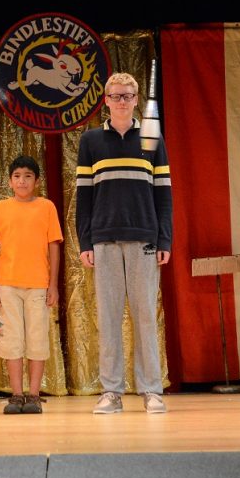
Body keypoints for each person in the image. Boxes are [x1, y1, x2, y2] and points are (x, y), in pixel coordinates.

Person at [75, 72, 173, 414]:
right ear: (106, 100)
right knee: (110, 316)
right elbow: (83, 197)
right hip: (103, 240)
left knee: (145, 315)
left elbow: (164, 194)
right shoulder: (90, 141)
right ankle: (111, 392)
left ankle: (151, 390)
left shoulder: (153, 139)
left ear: (136, 101)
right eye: (115, 96)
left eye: (128, 96)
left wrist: (164, 238)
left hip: (144, 237)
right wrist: (85, 240)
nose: (121, 101)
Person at [0, 155, 63, 414]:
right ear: (9, 181)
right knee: (12, 339)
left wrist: (53, 285)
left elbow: (54, 247)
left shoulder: (47, 207)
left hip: (38, 284)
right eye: (17, 176)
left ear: (36, 181)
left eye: (28, 176)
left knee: (37, 338)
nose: (22, 181)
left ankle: (34, 394)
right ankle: (16, 394)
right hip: (7, 283)